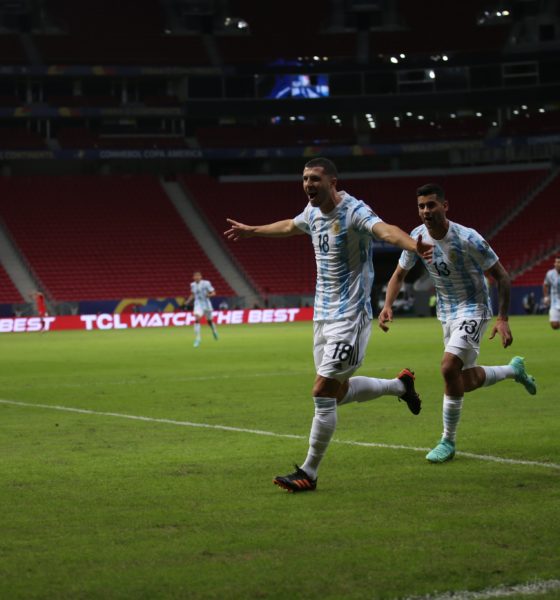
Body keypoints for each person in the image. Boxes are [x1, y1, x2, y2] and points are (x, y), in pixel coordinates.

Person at [224, 157, 433, 493]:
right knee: (336, 393)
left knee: (322, 391)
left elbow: (385, 231)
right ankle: (400, 386)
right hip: (322, 317)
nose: (309, 184)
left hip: (350, 318)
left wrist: (413, 245)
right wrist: (253, 231)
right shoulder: (311, 213)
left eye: (315, 179)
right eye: (305, 178)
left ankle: (309, 472)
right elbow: (290, 226)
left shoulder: (353, 211)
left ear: (333, 182)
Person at [378, 183, 537, 464]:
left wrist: (502, 319)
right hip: (446, 314)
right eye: (421, 206)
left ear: (445, 206)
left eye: (431, 205)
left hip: (474, 308)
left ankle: (447, 440)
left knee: (448, 367)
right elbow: (399, 275)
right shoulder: (416, 237)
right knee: (463, 379)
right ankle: (514, 370)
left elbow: (501, 276)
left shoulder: (467, 239)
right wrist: (387, 305)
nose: (426, 211)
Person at [186, 271, 219, 347]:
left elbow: (214, 293)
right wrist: (187, 301)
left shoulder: (206, 283)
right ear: (193, 277)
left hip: (206, 304)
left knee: (209, 321)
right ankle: (198, 339)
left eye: (198, 276)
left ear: (201, 277)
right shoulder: (192, 285)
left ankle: (214, 331)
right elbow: (193, 294)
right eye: (195, 276)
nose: (197, 277)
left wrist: (209, 295)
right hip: (198, 304)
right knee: (197, 318)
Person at [543, 256, 560, 329]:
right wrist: (546, 297)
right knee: (554, 326)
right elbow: (545, 285)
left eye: (559, 262)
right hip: (554, 301)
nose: (557, 264)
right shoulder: (550, 273)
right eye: (556, 262)